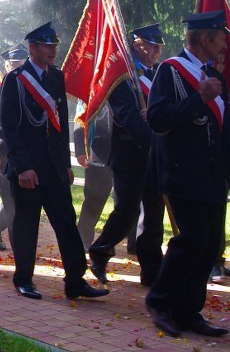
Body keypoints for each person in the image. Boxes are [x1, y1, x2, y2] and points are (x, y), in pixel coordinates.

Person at [1, 22, 108, 301]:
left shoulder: (57, 77)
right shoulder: (16, 80)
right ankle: (24, 279)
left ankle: (75, 281)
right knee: (27, 225)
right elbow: (9, 129)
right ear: (32, 48)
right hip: (28, 170)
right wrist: (23, 167)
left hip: (54, 169)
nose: (53, 50)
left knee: (67, 224)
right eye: (47, 46)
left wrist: (65, 165)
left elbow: (60, 124)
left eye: (54, 45)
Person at [144, 11, 230, 338]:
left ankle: (189, 311)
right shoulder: (170, 71)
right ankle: (160, 301)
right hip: (183, 174)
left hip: (213, 175)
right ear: (205, 38)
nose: (225, 46)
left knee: (209, 246)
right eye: (221, 38)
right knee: (191, 240)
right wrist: (200, 99)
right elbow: (158, 119)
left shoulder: (213, 75)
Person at [88, 24, 163, 285]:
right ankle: (100, 251)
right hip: (129, 155)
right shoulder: (124, 77)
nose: (155, 52)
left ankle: (151, 271)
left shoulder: (158, 75)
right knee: (127, 211)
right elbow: (127, 116)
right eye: (151, 46)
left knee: (153, 216)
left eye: (158, 47)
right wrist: (151, 141)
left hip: (154, 155)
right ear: (137, 45)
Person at [0, 43, 27, 251]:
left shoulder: (30, 87)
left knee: (22, 201)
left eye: (22, 64)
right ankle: (20, 248)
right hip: (4, 153)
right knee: (11, 202)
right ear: (7, 66)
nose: (18, 69)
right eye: (14, 65)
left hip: (27, 152)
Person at [73, 102, 113, 248]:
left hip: (126, 147)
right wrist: (80, 150)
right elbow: (80, 117)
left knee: (128, 201)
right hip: (98, 148)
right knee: (94, 199)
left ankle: (133, 243)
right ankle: (82, 240)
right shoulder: (92, 89)